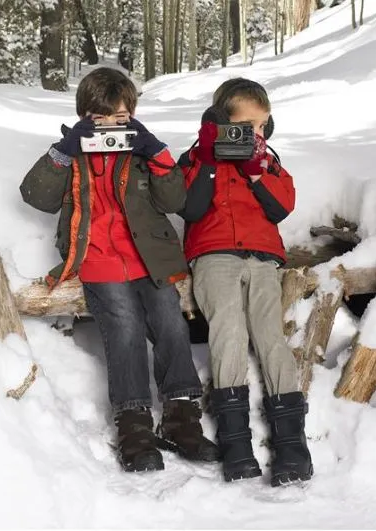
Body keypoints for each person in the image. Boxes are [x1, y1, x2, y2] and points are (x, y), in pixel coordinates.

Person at [20, 67, 218, 473]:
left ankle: (182, 419)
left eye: (120, 117)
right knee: (124, 326)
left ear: (133, 114)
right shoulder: (72, 153)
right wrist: (66, 147)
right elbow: (36, 196)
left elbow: (175, 200)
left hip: (149, 256)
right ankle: (134, 426)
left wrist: (156, 151)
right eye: (100, 118)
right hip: (98, 258)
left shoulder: (143, 153)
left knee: (170, 321)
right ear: (83, 116)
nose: (110, 126)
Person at [178, 78, 313, 486]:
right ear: (222, 121)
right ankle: (236, 445)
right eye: (246, 125)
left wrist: (256, 171)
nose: (254, 133)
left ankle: (293, 446)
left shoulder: (268, 161)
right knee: (228, 334)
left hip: (261, 258)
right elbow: (191, 205)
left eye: (262, 125)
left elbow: (281, 207)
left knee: (271, 338)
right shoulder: (198, 157)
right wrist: (205, 156)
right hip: (214, 255)